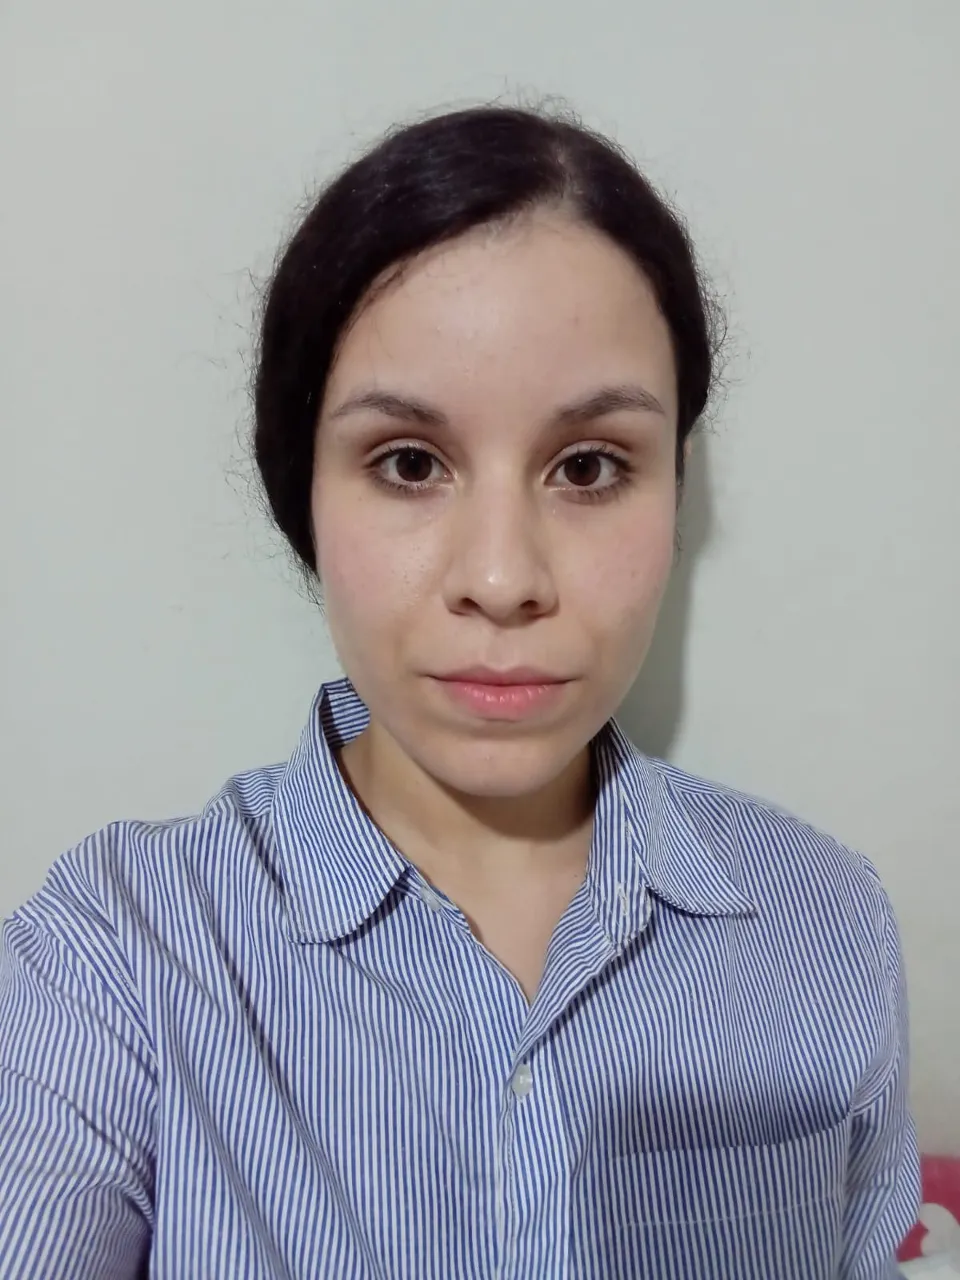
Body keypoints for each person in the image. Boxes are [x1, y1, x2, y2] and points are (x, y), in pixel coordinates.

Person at [0, 103, 919, 1279]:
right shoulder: (121, 956)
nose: (502, 578)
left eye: (589, 467)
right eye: (409, 463)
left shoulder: (827, 924)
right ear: (306, 501)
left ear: (671, 494)